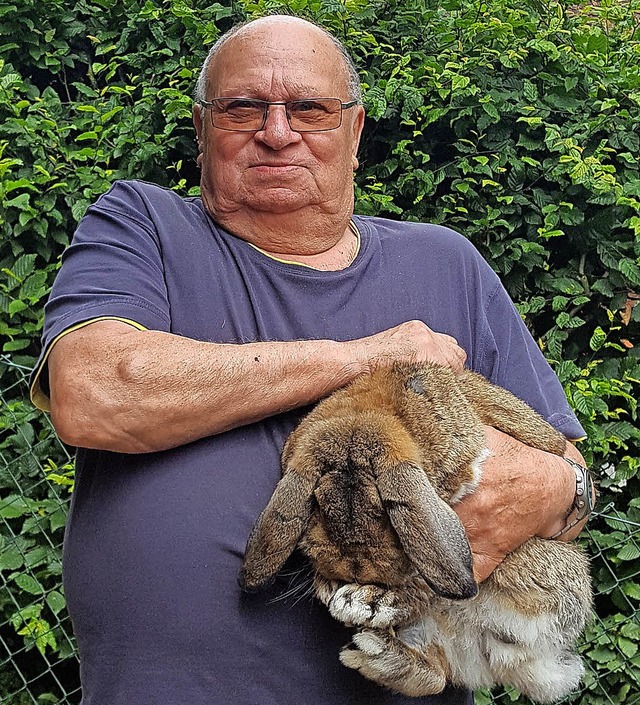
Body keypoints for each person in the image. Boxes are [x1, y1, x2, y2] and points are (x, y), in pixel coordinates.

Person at [30, 15, 590, 705]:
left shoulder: (448, 263)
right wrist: (362, 356)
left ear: (354, 135)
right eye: (242, 107)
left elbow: (565, 467)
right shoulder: (144, 226)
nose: (276, 130)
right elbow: (93, 390)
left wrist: (560, 489)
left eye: (310, 108)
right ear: (202, 130)